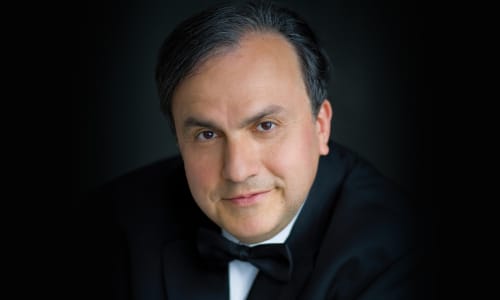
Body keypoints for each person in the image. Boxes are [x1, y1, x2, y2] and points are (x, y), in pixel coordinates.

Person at [88, 1, 430, 299]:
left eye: (265, 126)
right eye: (207, 134)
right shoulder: (113, 226)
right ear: (179, 138)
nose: (237, 170)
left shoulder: (399, 252)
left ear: (320, 125)